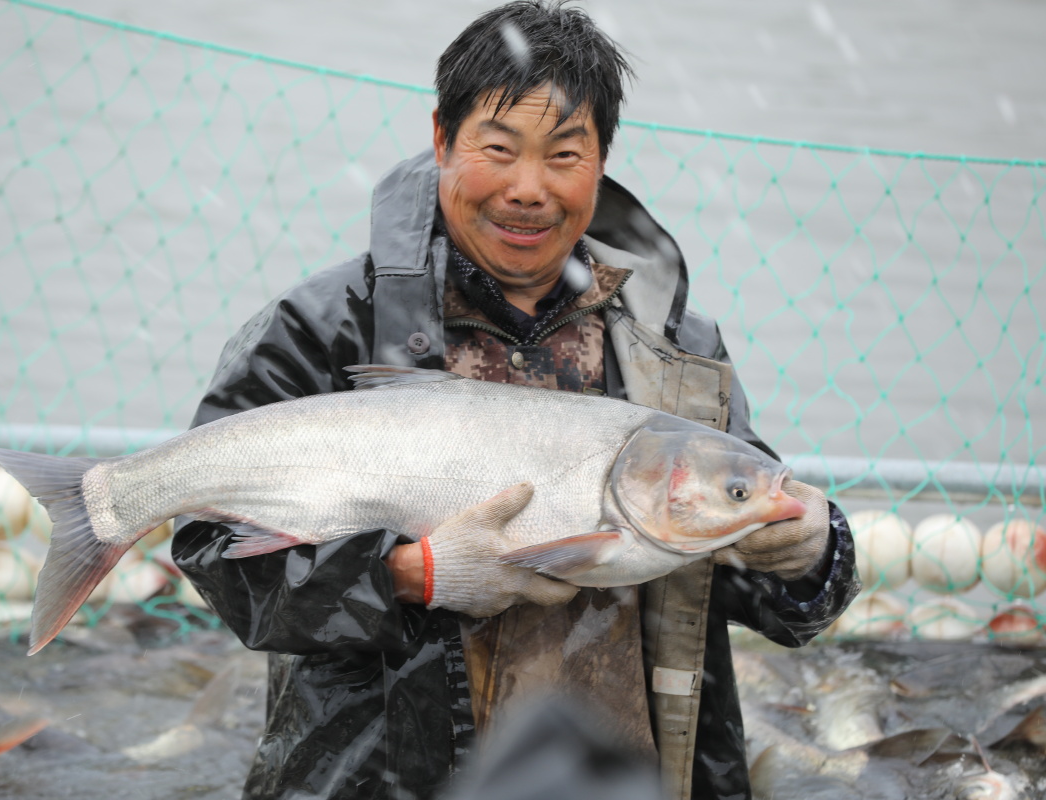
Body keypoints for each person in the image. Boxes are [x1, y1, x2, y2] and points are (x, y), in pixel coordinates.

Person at [173, 3, 860, 799]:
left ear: (601, 160)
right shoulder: (328, 330)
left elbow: (755, 585)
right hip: (377, 780)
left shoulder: (677, 349)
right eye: (498, 150)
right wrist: (407, 574)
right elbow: (214, 555)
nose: (528, 189)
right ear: (442, 140)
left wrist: (809, 553)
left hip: (628, 777)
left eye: (565, 154)